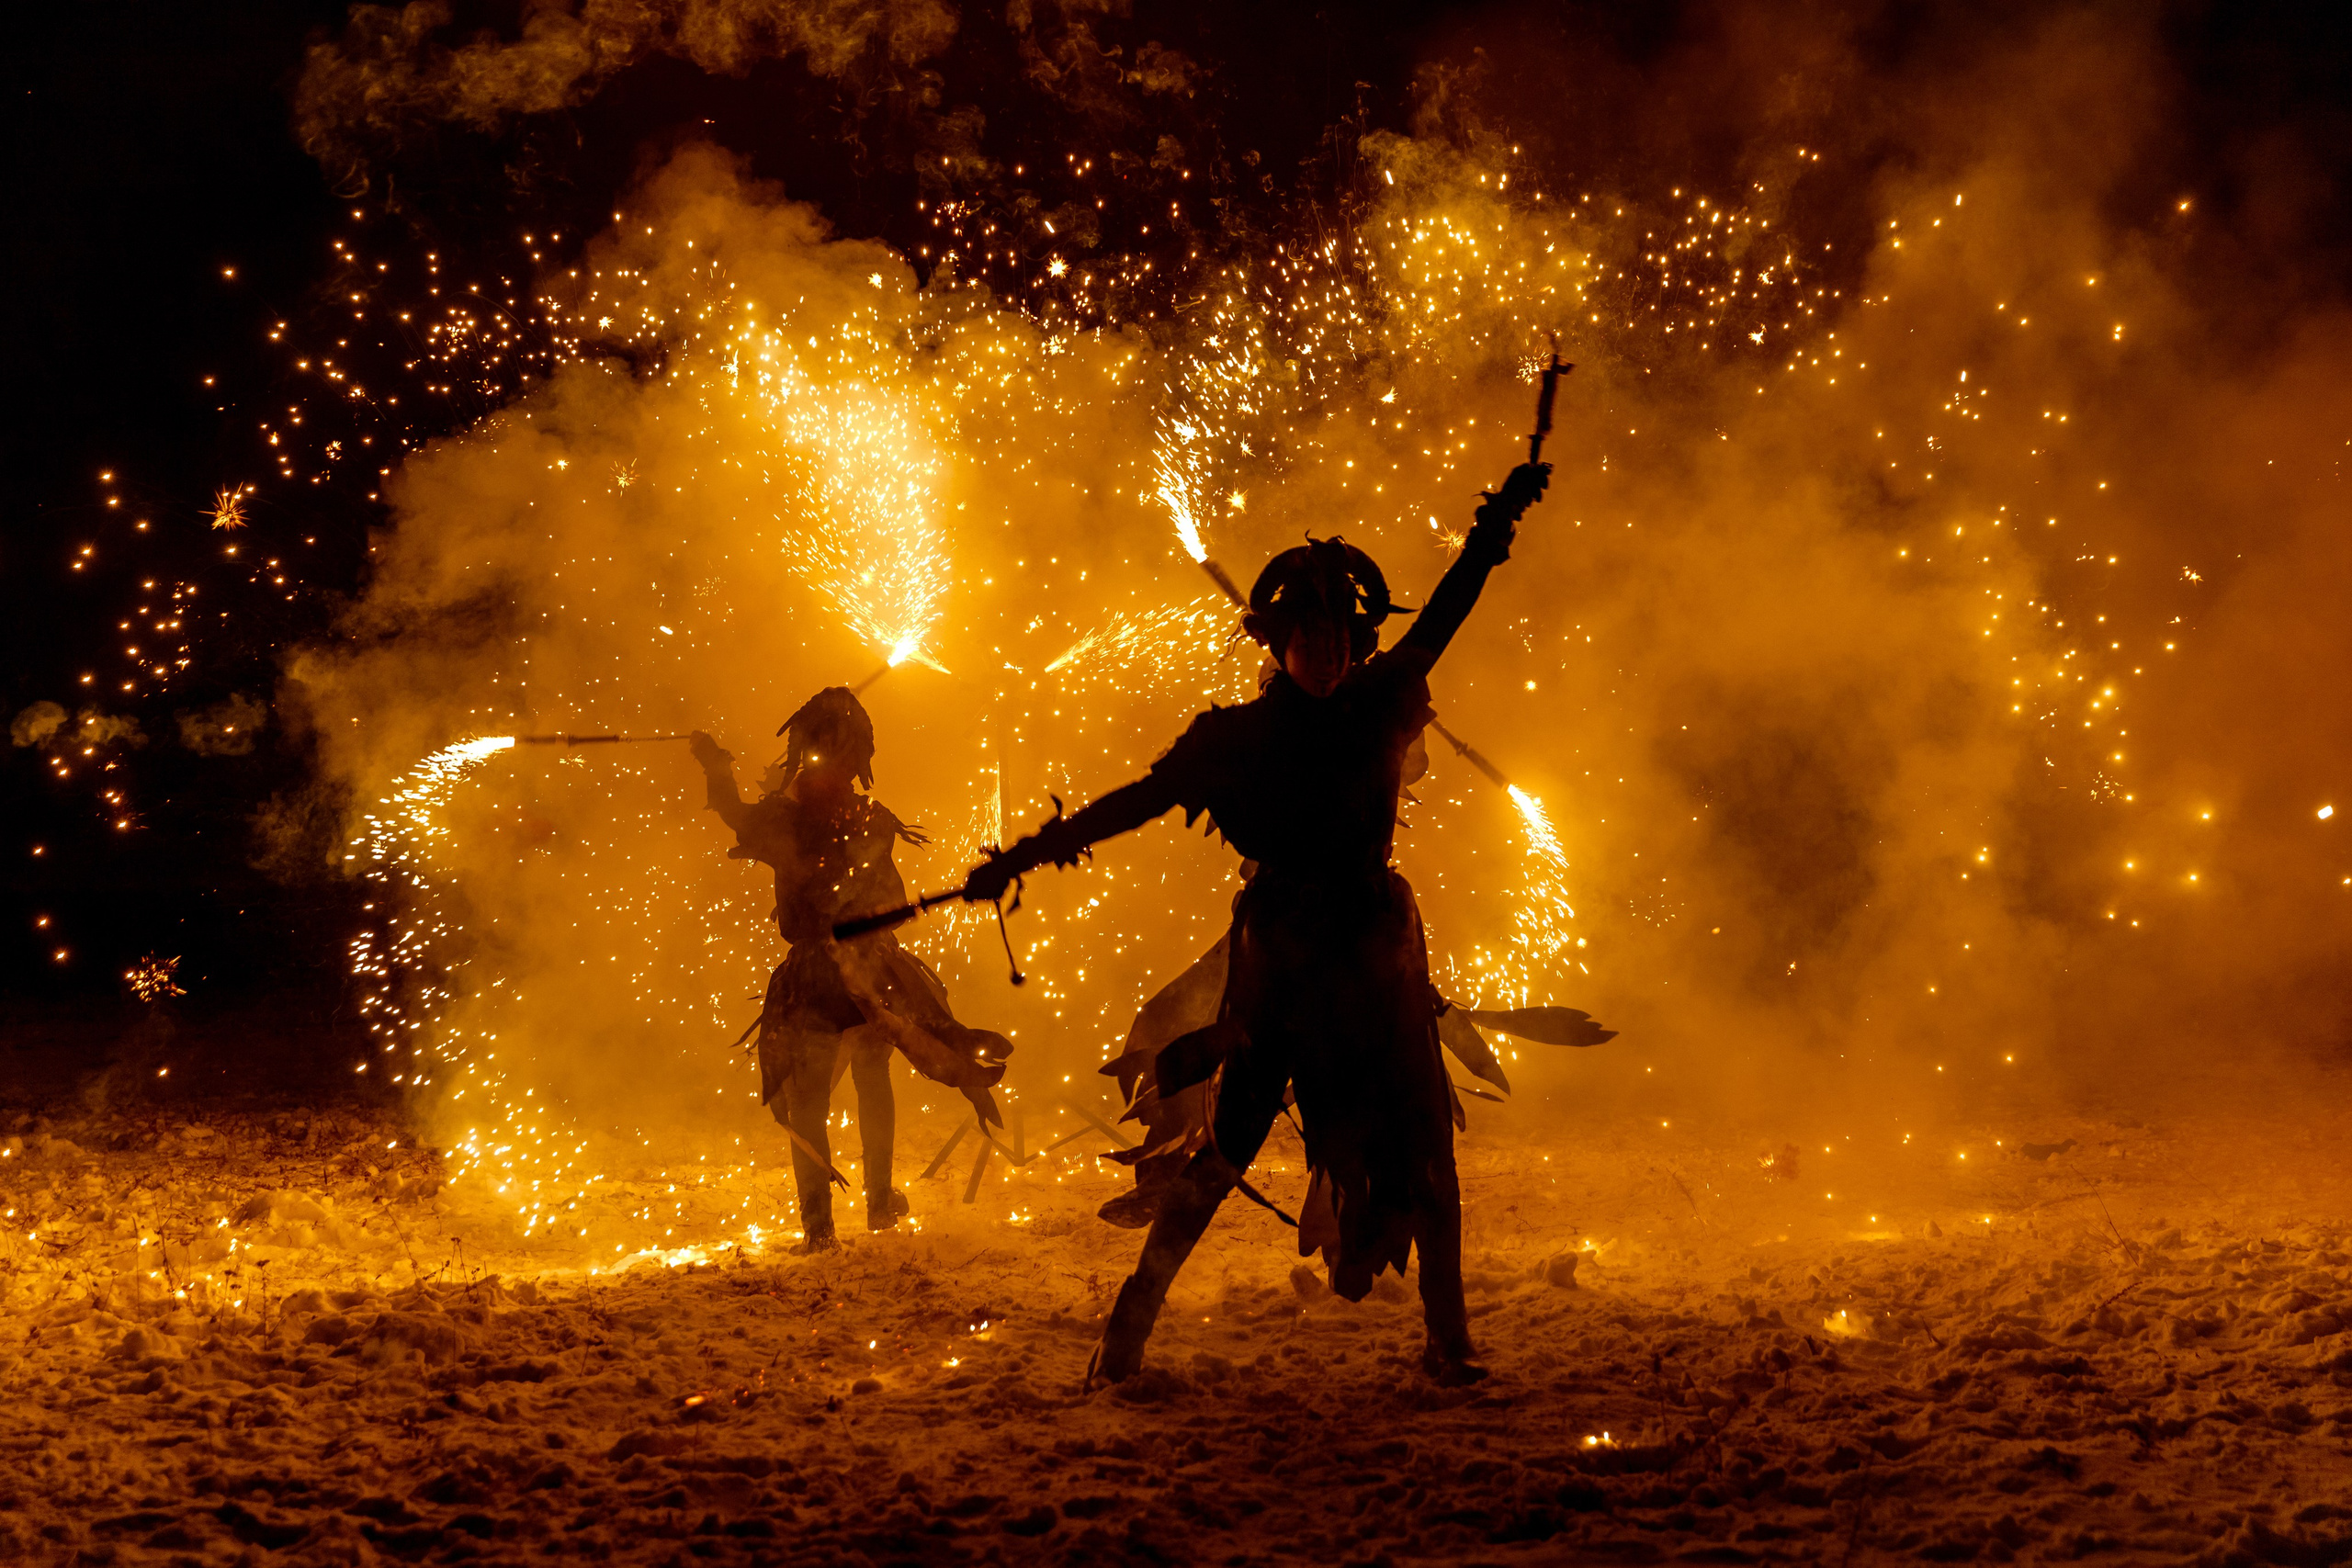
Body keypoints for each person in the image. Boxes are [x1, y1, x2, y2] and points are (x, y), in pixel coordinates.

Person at [965, 459, 1550, 1383]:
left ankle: (1448, 1341)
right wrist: (1023, 858)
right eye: (1303, 633)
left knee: (1428, 1151)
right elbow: (1137, 801)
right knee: (1227, 1147)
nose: (1321, 650)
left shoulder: (1387, 701)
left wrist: (1496, 525)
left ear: (1355, 640)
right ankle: (1127, 1330)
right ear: (1276, 641)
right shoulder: (1232, 741)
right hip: (1281, 961)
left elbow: (1447, 610)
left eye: (1334, 633)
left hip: (1378, 949)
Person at [691, 688, 1011, 1251]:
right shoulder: (864, 817)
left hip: (826, 975)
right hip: (871, 971)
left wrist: (719, 770)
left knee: (813, 1097)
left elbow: (736, 815)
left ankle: (823, 1229)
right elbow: (890, 894)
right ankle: (876, 1205)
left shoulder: (787, 820)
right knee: (868, 1075)